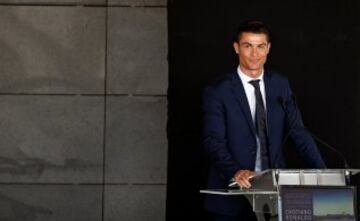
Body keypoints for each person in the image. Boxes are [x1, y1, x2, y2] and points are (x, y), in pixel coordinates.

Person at [202, 20, 326, 221]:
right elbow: (213, 140)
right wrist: (235, 172)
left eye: (260, 46)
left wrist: (324, 175)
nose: (254, 54)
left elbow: (298, 133)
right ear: (236, 48)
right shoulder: (218, 90)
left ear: (268, 48)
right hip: (233, 196)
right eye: (247, 46)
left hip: (276, 194)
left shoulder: (280, 84)